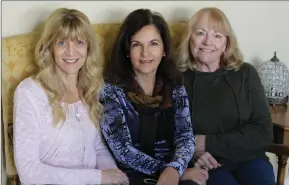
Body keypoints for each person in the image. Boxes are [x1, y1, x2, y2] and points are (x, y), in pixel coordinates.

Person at [13, 8, 129, 185]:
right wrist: (98, 178)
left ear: (88, 48)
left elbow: (98, 148)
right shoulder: (29, 92)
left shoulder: (92, 87)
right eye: (61, 43)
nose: (70, 52)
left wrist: (114, 177)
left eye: (79, 42)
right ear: (49, 47)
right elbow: (29, 172)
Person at [100, 8, 209, 185]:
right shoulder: (111, 90)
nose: (145, 53)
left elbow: (185, 137)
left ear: (164, 49)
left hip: (176, 170)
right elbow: (122, 151)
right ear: (127, 50)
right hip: (131, 175)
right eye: (137, 45)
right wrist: (169, 172)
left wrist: (175, 168)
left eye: (153, 43)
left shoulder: (175, 85)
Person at [177, 7, 276, 185]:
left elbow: (263, 132)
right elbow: (169, 133)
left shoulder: (246, 73)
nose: (208, 41)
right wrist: (193, 151)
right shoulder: (177, 80)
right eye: (200, 33)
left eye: (217, 36)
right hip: (207, 164)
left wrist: (206, 142)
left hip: (250, 159)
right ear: (189, 39)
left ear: (226, 44)